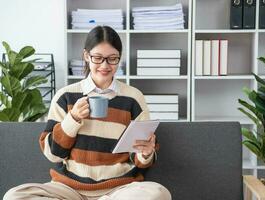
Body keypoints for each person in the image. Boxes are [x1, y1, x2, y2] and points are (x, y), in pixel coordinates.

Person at [4, 26, 171, 200]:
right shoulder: (65, 96)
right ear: (86, 56)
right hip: (69, 189)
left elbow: (140, 159)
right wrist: (73, 119)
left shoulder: (133, 98)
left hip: (118, 190)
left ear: (119, 58)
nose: (105, 66)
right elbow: (52, 155)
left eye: (112, 59)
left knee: (159, 194)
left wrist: (145, 153)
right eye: (98, 58)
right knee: (14, 196)